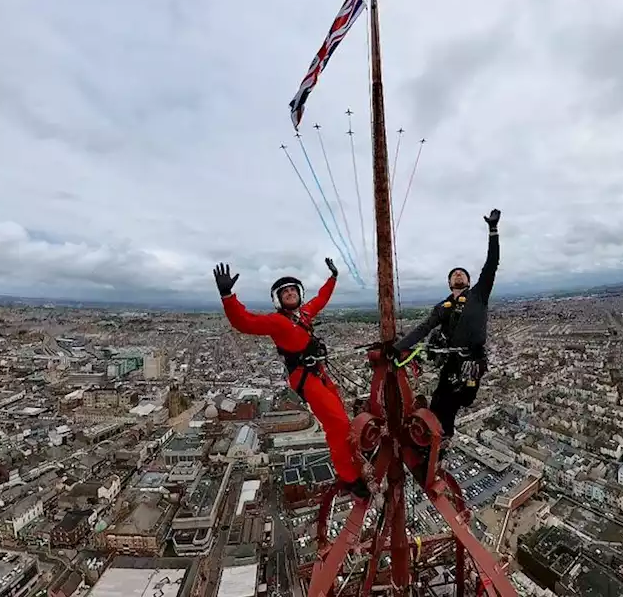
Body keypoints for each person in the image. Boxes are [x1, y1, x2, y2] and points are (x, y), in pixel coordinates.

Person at [214, 258, 370, 499]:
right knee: (336, 424)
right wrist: (227, 295)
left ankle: (353, 457)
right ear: (278, 298)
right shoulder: (276, 321)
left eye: (292, 290)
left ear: (299, 294)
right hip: (304, 377)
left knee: (342, 419)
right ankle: (349, 477)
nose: (289, 293)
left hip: (319, 373)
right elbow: (243, 322)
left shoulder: (305, 314)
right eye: (284, 291)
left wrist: (333, 278)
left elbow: (321, 299)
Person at [393, 208, 500, 455]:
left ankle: (437, 443)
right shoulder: (442, 307)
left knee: (463, 399)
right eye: (454, 274)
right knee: (441, 404)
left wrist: (493, 231)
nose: (458, 274)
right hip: (452, 362)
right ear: (449, 283)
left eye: (462, 273)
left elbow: (491, 264)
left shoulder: (479, 296)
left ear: (469, 281)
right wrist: (398, 348)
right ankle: (437, 444)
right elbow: (424, 327)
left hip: (472, 359)